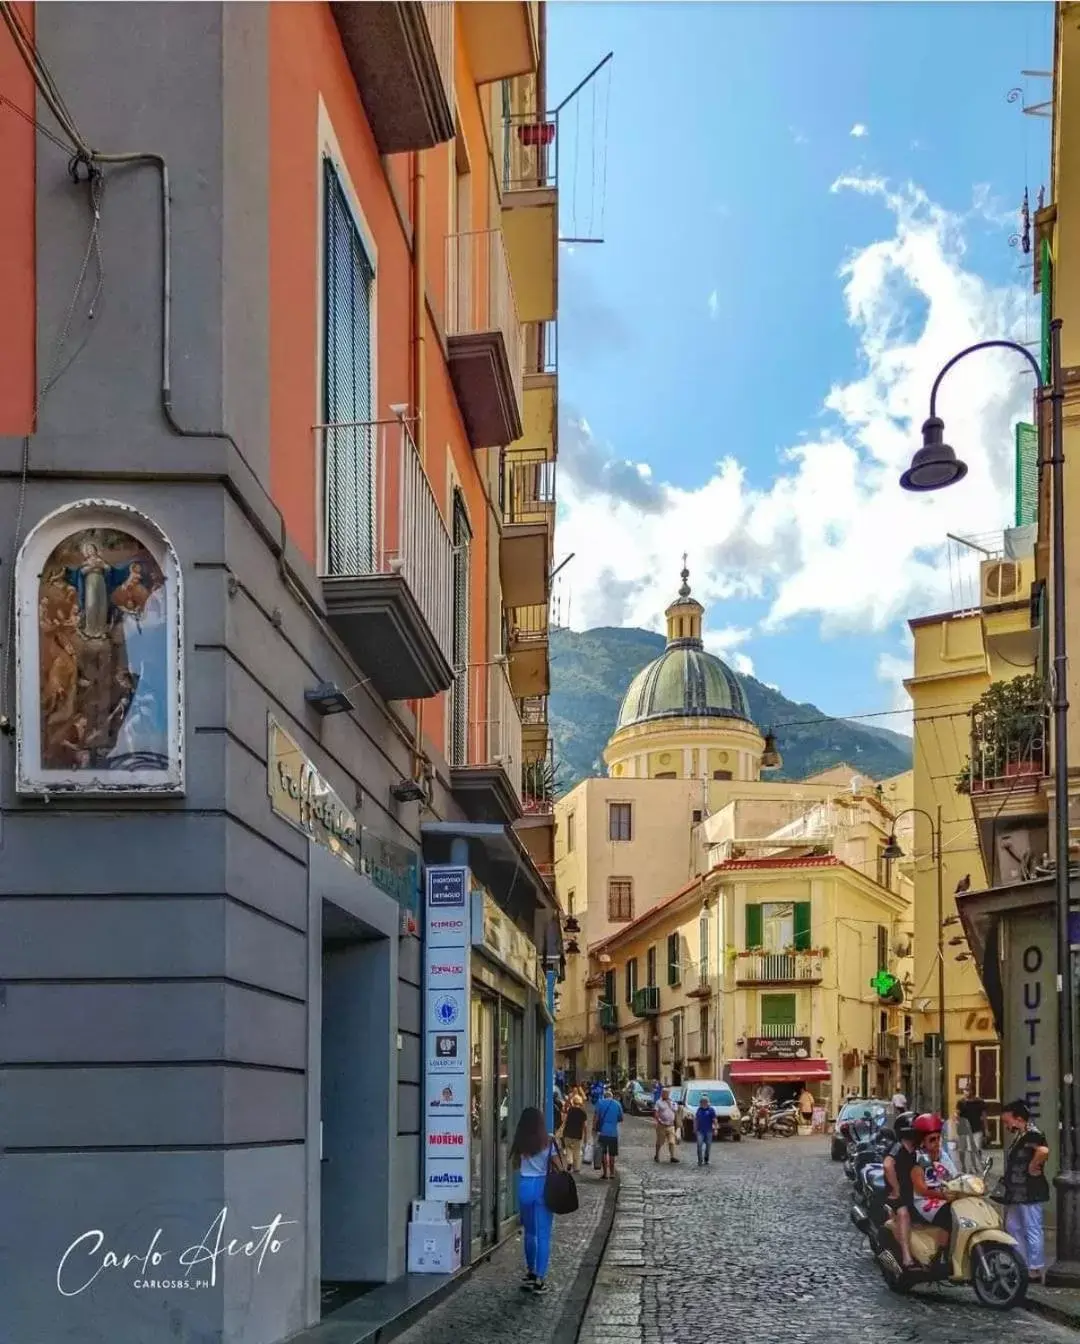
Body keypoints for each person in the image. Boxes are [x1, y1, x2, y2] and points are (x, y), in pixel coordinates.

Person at [509, 1106, 560, 1294]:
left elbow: (515, 1164)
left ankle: (530, 1272)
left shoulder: (520, 1141)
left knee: (529, 1233)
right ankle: (540, 1278)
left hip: (525, 1186)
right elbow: (559, 1166)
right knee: (544, 1234)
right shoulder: (548, 1142)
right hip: (543, 1187)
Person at [1001, 1099, 1051, 1283]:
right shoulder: (1022, 1135)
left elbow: (1044, 1151)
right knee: (1013, 1225)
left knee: (1032, 1227)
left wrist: (1033, 1165)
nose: (1007, 1126)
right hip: (1017, 1191)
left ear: (1018, 1118)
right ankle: (1021, 1262)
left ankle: (1034, 1269)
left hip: (1029, 1190)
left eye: (1008, 1122)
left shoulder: (1032, 1134)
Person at [883, 1113, 921, 1268]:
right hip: (898, 1193)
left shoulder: (917, 1148)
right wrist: (896, 1188)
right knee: (903, 1214)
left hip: (915, 1191)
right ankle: (906, 1256)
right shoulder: (898, 1147)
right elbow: (887, 1165)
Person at [593, 1085, 624, 1180]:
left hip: (603, 1132)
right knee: (612, 1154)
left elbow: (596, 1118)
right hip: (613, 1133)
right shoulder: (617, 1104)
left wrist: (594, 1129)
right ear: (612, 1096)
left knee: (603, 1153)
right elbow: (621, 1118)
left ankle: (605, 1173)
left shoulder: (600, 1103)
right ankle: (612, 1173)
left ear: (604, 1096)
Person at [560, 1090, 588, 1172]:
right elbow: (585, 1126)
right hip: (577, 1134)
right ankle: (577, 1168)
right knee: (576, 1151)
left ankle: (570, 1161)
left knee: (568, 1149)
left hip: (567, 1133)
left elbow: (564, 1120)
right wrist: (585, 1136)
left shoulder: (570, 1110)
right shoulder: (583, 1112)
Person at [654, 1088, 679, 1163]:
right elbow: (656, 1112)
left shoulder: (672, 1101)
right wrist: (658, 1120)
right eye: (664, 1093)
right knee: (660, 1142)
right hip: (662, 1125)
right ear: (662, 1093)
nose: (665, 1094)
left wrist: (669, 1103)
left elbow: (675, 1110)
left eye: (667, 1093)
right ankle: (657, 1155)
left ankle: (672, 1157)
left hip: (671, 1125)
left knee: (672, 1142)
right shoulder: (658, 1102)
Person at [694, 1093, 717, 1167]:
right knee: (699, 1145)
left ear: (707, 1102)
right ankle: (700, 1160)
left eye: (704, 1102)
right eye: (701, 1102)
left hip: (709, 1131)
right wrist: (695, 1128)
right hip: (700, 1131)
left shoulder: (711, 1110)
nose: (703, 1103)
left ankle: (706, 1159)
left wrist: (715, 1129)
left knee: (708, 1146)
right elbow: (696, 1120)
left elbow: (714, 1120)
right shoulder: (699, 1110)